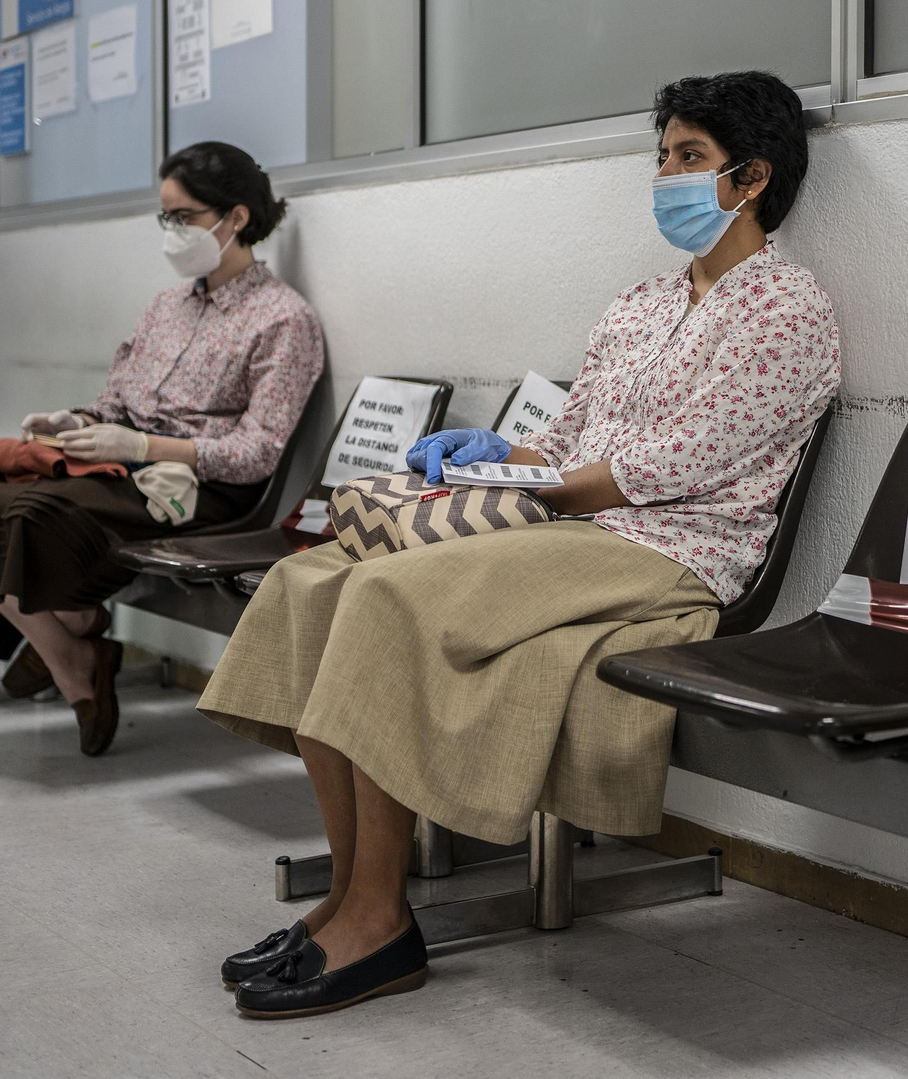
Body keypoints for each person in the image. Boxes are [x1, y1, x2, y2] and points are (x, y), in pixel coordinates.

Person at [198, 71, 840, 1018]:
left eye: (690, 158)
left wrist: (526, 480)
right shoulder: (640, 304)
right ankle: (344, 897)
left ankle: (380, 924)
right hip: (573, 516)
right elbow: (575, 437)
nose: (664, 175)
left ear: (752, 180)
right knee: (310, 583)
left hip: (669, 544)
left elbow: (665, 466)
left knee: (384, 595)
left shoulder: (790, 313)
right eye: (662, 156)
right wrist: (505, 454)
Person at [0, 142, 323, 756]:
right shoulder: (166, 307)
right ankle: (71, 642)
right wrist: (77, 421)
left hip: (202, 491)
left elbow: (256, 453)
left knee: (29, 516)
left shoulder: (284, 319)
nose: (172, 232)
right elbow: (116, 403)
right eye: (165, 218)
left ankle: (68, 647)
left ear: (236, 218)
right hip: (124, 470)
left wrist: (147, 445)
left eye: (185, 217)